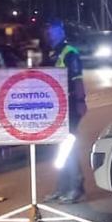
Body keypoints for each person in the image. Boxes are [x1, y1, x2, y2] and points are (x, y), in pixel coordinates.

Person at [42, 19, 88, 204]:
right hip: (56, 107)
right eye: (48, 31)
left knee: (67, 147)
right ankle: (62, 188)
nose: (50, 34)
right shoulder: (52, 53)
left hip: (70, 105)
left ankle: (76, 186)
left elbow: (77, 79)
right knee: (58, 150)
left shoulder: (70, 53)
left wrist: (80, 101)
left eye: (53, 31)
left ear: (61, 32)